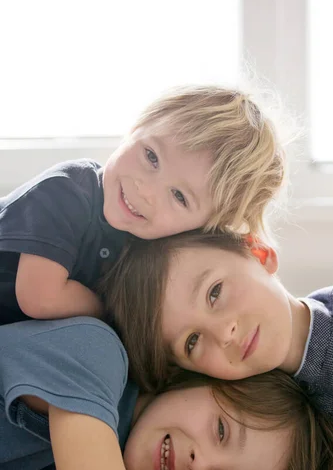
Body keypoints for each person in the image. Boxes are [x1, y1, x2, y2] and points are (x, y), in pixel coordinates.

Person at [103, 229, 333, 470]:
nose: (223, 333)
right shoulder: (271, 448)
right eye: (192, 342)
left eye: (215, 292)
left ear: (258, 251)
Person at [0, 317, 333, 470]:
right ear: (199, 378)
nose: (201, 464)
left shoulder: (107, 468)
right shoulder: (96, 352)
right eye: (221, 431)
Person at [0, 85, 287, 325]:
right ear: (136, 127)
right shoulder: (68, 190)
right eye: (151, 157)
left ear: (200, 228)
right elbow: (40, 297)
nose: (146, 191)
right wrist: (110, 313)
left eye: (179, 196)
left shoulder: (149, 246)